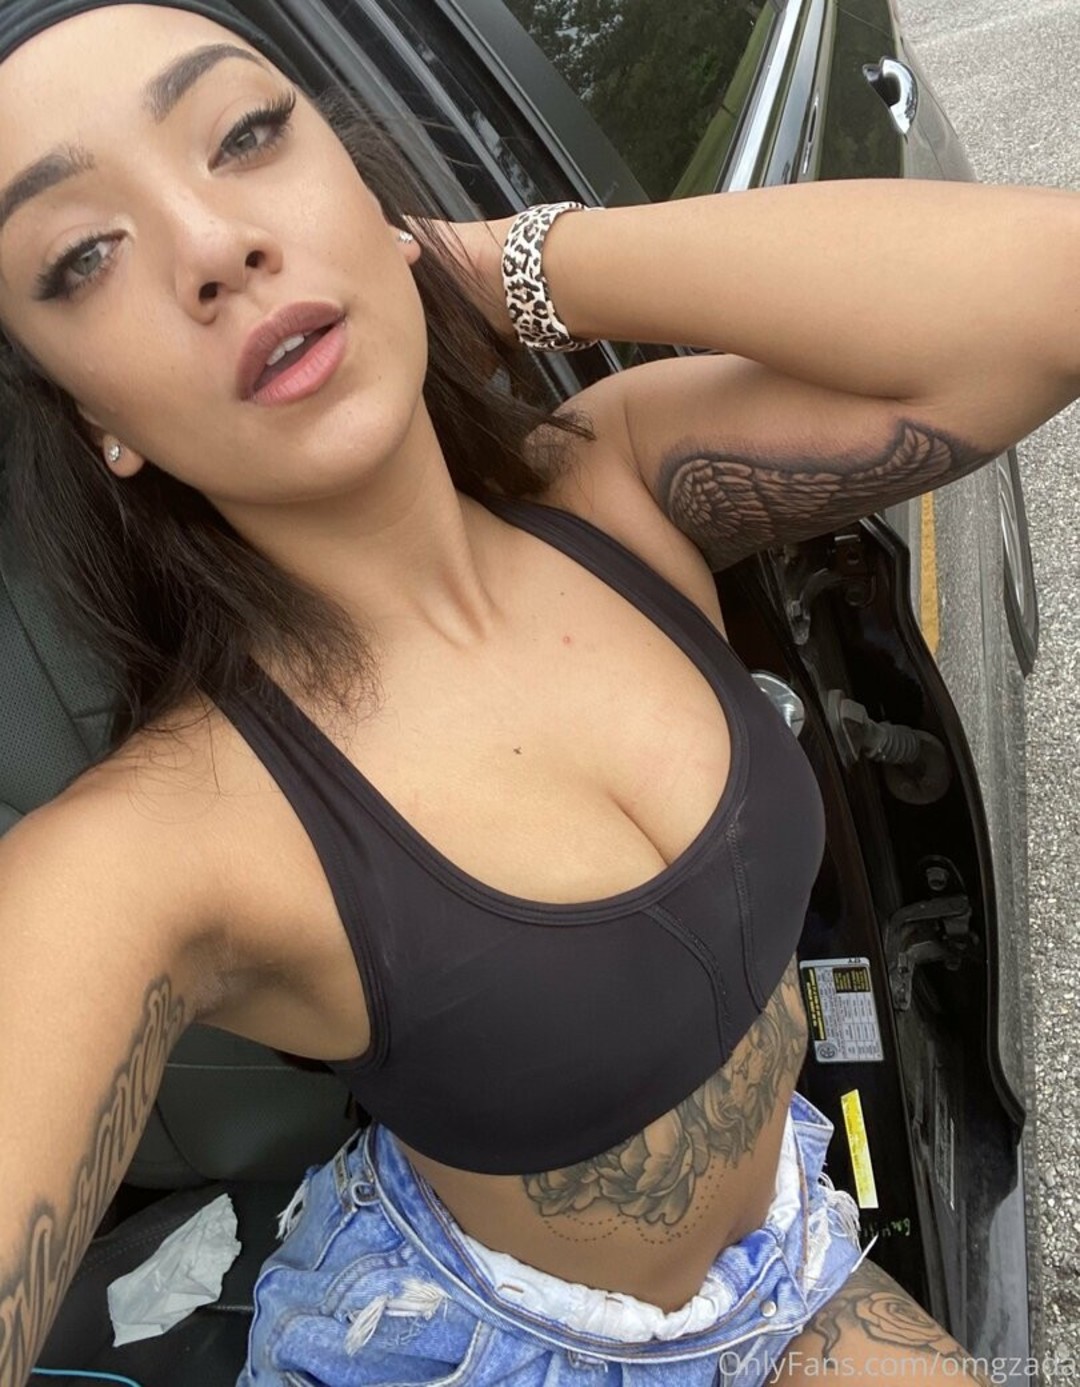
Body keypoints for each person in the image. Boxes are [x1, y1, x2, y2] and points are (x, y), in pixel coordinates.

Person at [0, 2, 1074, 1384]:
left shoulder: (615, 482)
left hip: (782, 1267)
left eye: (249, 136)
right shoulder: (163, 836)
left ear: (365, 185)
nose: (214, 248)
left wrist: (498, 264)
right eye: (82, 257)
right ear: (95, 419)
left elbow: (1053, 299)